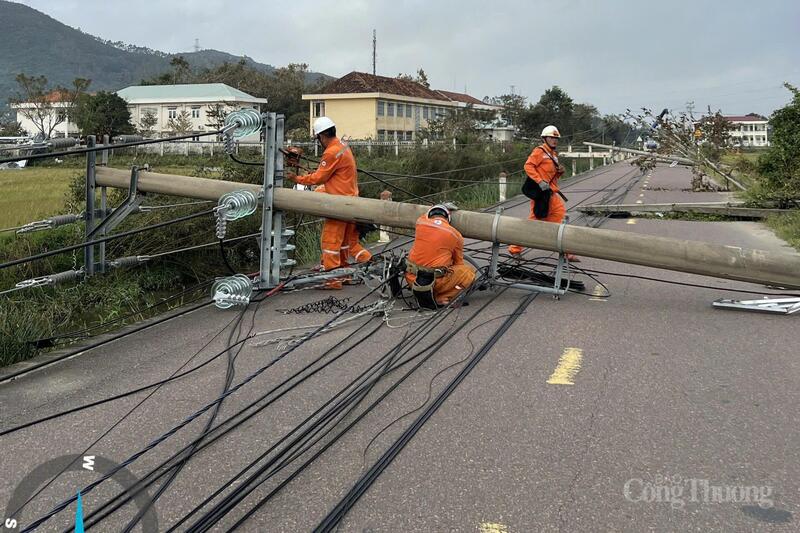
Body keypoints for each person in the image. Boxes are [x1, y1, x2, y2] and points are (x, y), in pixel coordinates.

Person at [286, 116, 372, 288]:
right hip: (350, 202)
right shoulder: (342, 147)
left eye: (318, 139)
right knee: (343, 244)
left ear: (322, 136)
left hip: (338, 205)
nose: (319, 142)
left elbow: (320, 177)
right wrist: (316, 172)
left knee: (331, 243)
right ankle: (344, 275)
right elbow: (330, 173)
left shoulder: (331, 152)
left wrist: (297, 178)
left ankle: (333, 280)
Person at [508, 125, 579, 261]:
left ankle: (567, 253)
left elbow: (551, 176)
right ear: (545, 138)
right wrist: (539, 181)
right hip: (541, 195)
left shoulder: (553, 155)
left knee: (561, 220)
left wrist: (559, 172)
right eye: (552, 138)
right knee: (533, 224)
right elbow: (528, 166)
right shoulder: (539, 152)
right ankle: (514, 248)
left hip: (551, 194)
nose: (554, 140)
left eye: (556, 138)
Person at [405, 204, 476, 307]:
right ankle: (442, 297)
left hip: (412, 279)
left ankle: (424, 294)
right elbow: (458, 263)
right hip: (435, 283)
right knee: (468, 273)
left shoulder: (420, 222)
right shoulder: (456, 235)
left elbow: (427, 213)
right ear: (448, 219)